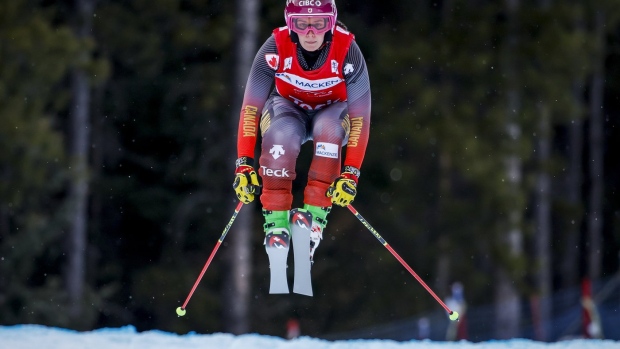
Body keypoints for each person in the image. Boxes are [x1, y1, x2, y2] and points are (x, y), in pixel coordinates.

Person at [233, 0, 371, 268]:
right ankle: (276, 222)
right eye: (301, 23)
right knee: (280, 136)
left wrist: (351, 174)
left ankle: (315, 218)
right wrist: (243, 164)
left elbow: (361, 118)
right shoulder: (274, 47)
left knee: (329, 131)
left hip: (333, 111)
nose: (310, 32)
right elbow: (250, 109)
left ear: (330, 24)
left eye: (319, 24)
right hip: (288, 109)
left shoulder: (347, 51)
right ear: (290, 23)